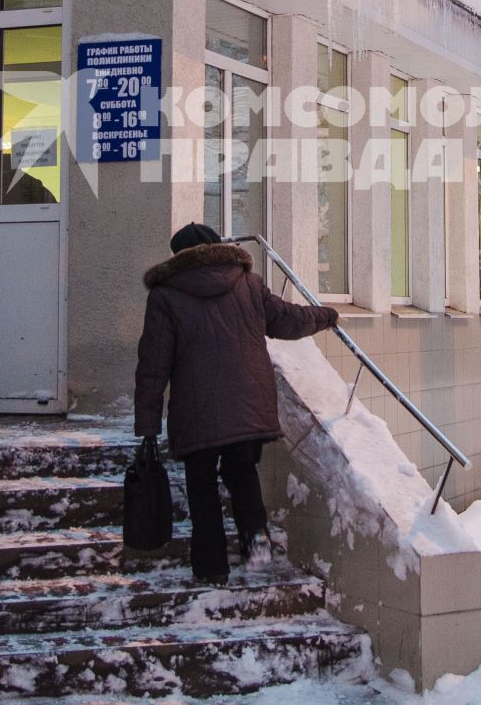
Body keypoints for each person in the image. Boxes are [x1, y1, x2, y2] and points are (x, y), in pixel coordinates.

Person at [134, 223, 339, 583]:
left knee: (201, 487)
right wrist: (326, 316)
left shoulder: (165, 295)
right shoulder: (248, 283)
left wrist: (147, 426)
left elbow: (153, 366)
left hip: (196, 411)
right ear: (217, 247)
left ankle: (211, 568)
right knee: (242, 474)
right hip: (249, 405)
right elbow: (287, 320)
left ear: (177, 256)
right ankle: (257, 544)